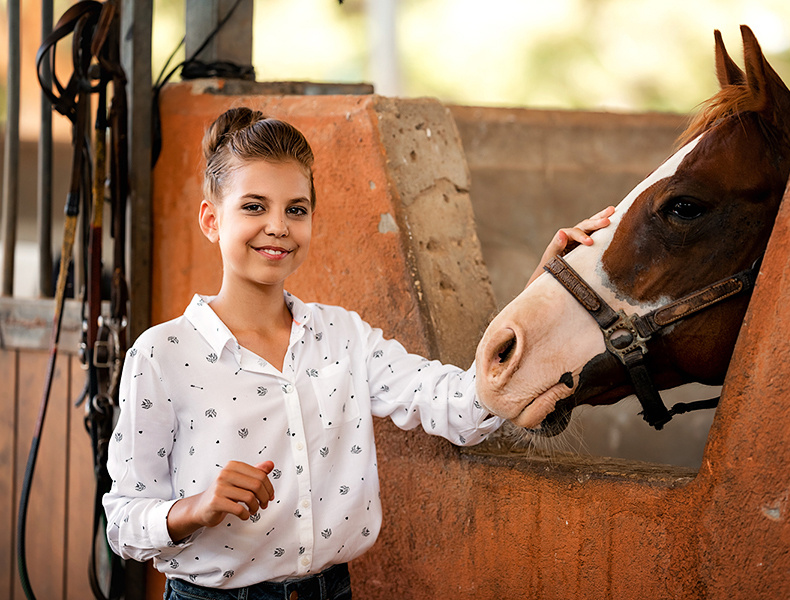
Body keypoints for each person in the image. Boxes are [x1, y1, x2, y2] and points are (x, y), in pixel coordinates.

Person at [103, 107, 612, 599]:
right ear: (211, 220)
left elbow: (459, 406)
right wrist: (195, 508)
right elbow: (123, 520)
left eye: (296, 209)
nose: (278, 226)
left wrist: (543, 296)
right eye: (254, 206)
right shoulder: (161, 354)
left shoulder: (343, 335)